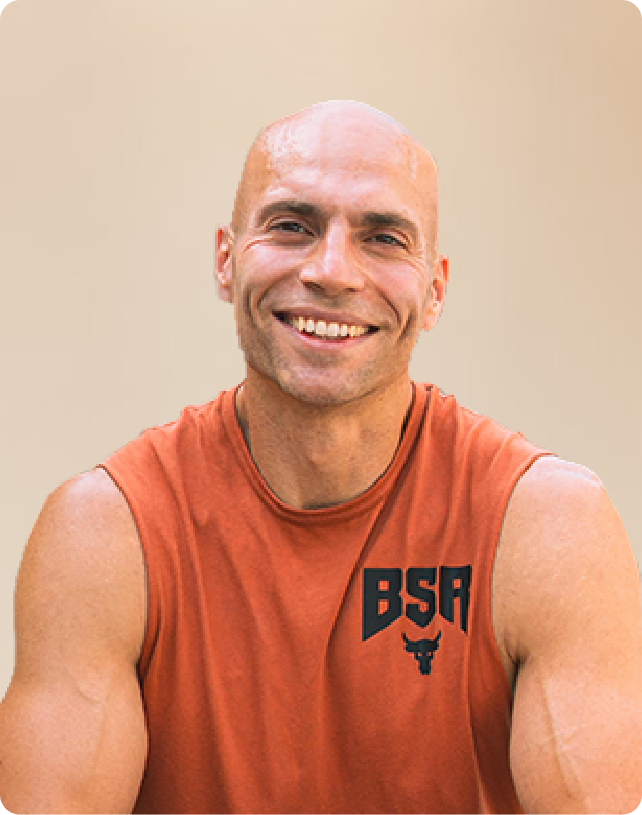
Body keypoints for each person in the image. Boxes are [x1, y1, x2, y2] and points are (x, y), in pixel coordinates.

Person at [0, 100, 640, 815]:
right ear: (224, 259)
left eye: (384, 238)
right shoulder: (105, 534)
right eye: (291, 225)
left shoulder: (546, 528)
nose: (332, 270)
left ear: (434, 291)